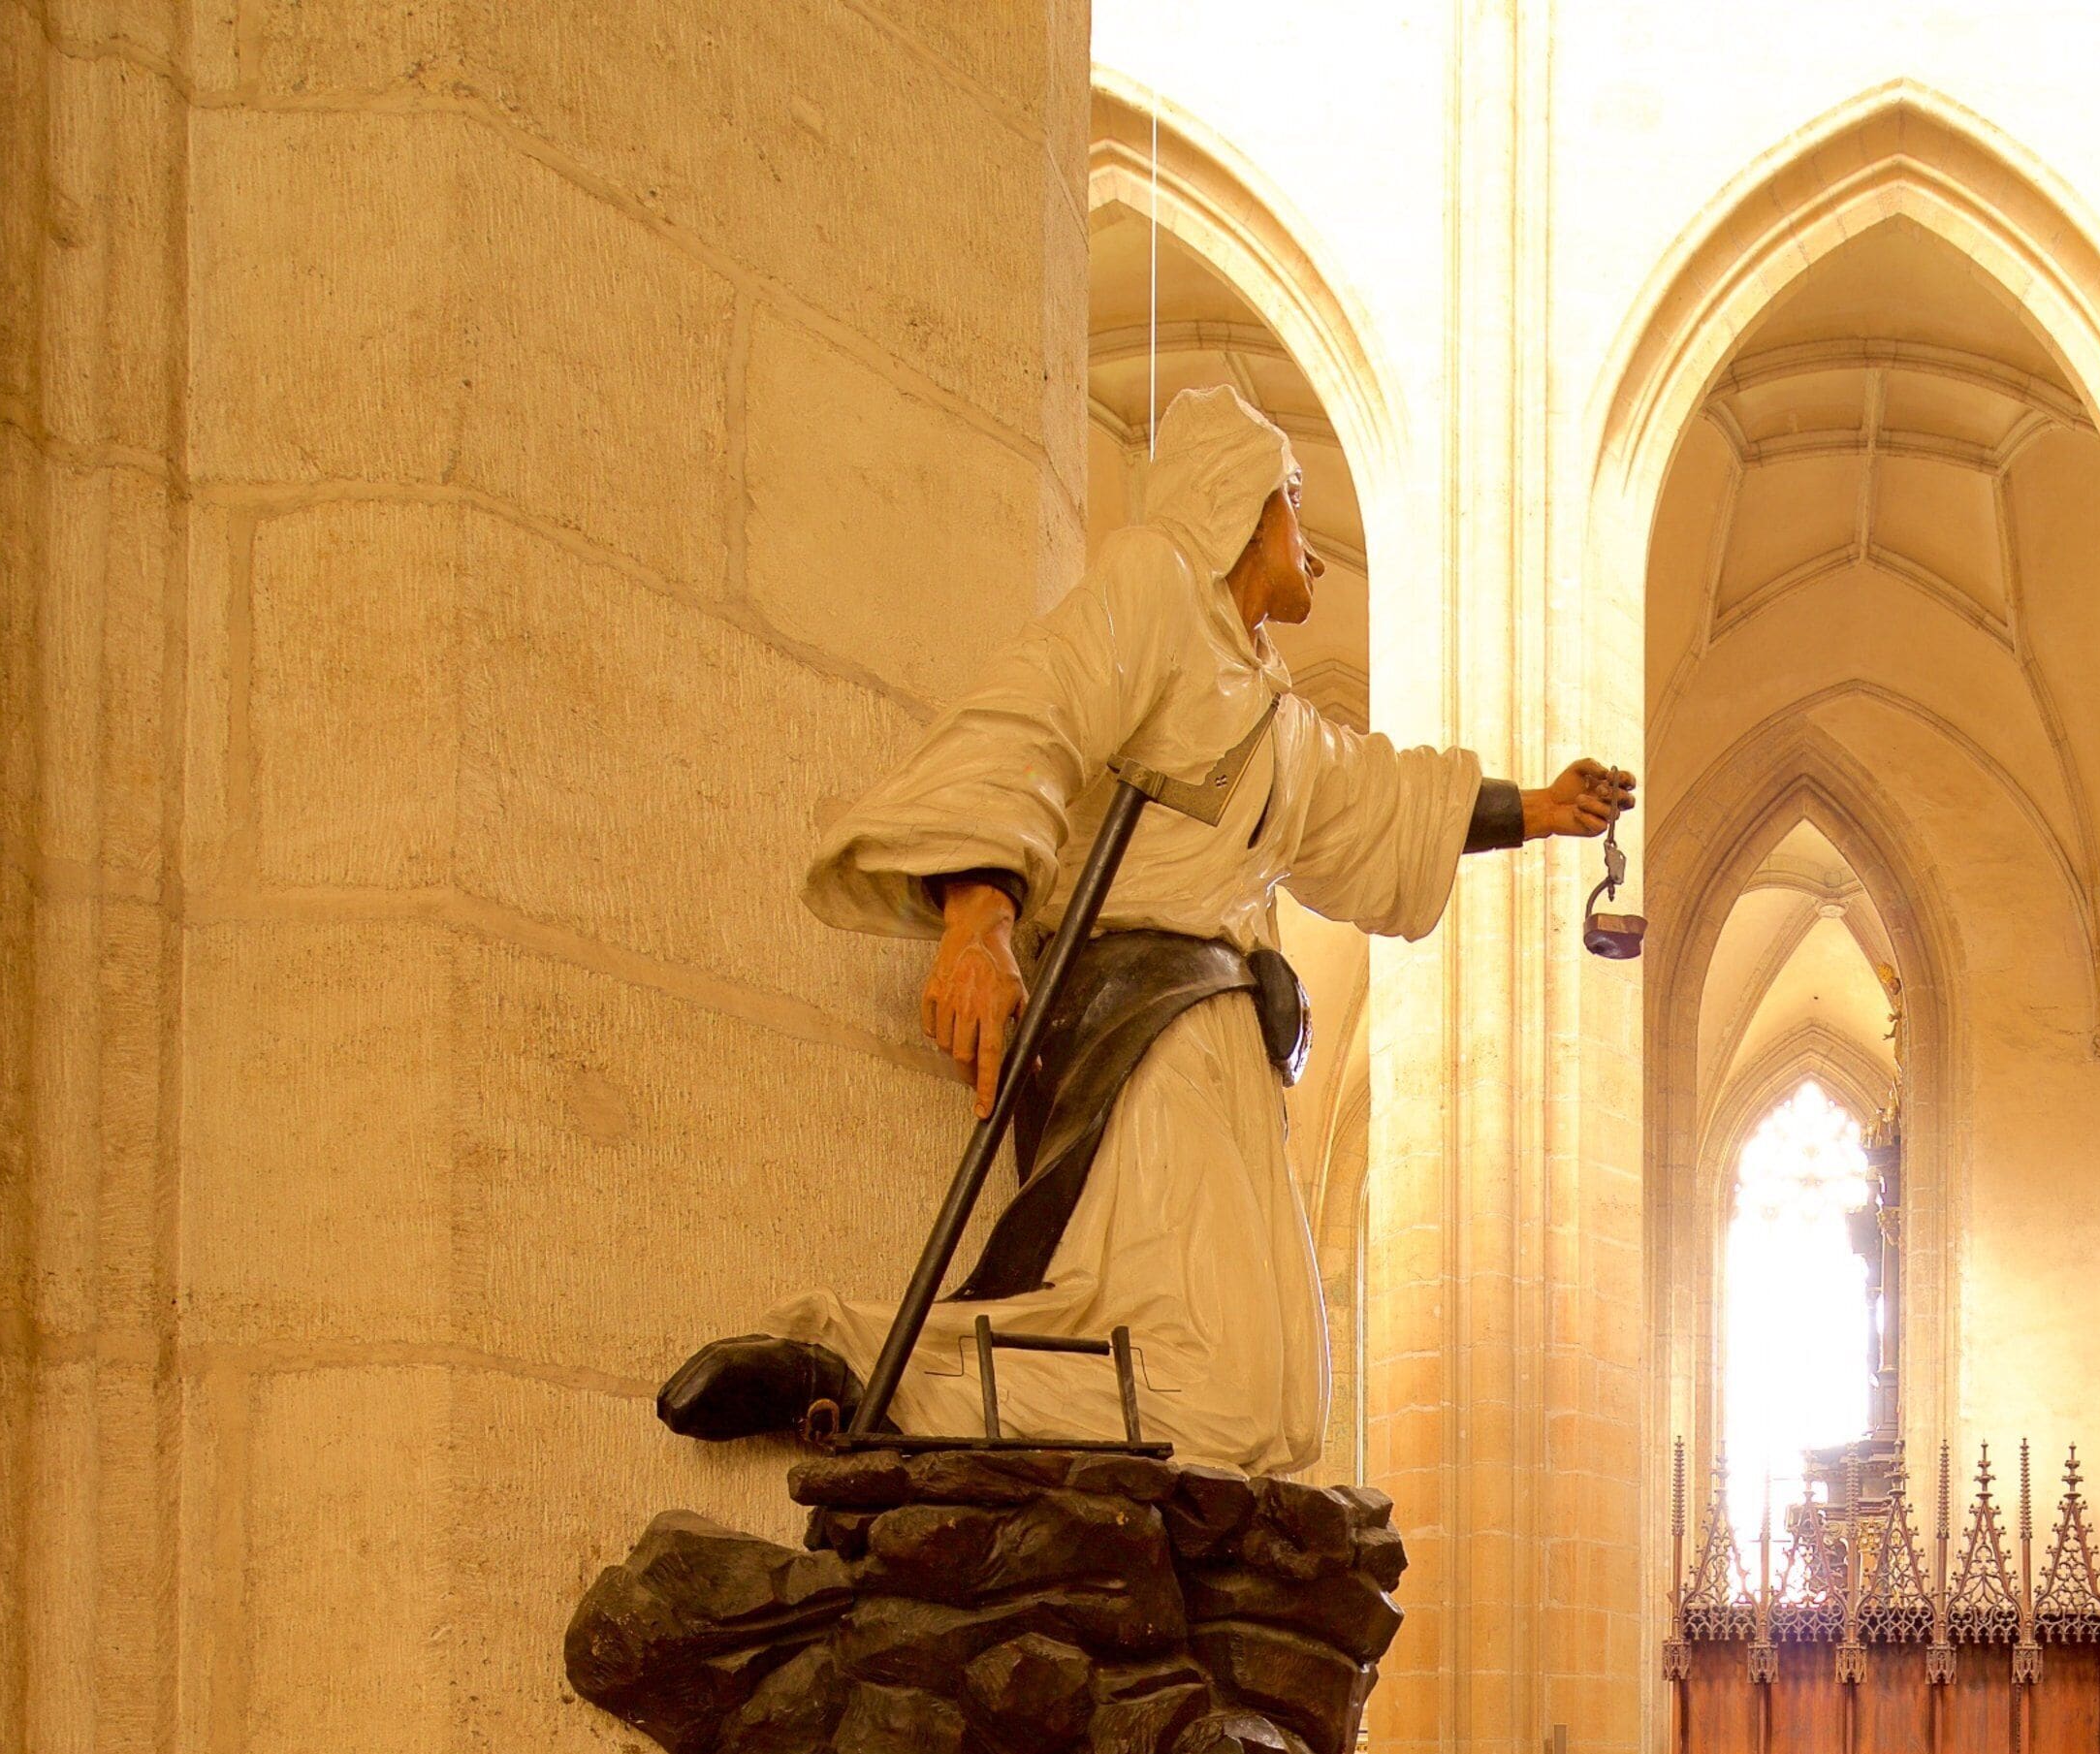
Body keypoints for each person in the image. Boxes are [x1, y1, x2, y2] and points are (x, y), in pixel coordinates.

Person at [651, 386, 1636, 1468]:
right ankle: (843, 1366)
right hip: (1144, 1023)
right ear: (1239, 507)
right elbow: (1033, 717)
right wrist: (978, 918)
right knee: (1215, 1382)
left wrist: (1538, 809)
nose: (1313, 552)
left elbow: (1369, 798)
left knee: (1282, 1401)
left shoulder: (1264, 699)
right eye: (1294, 509)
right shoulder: (1154, 586)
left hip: (1226, 1044)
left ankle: (896, 1389)